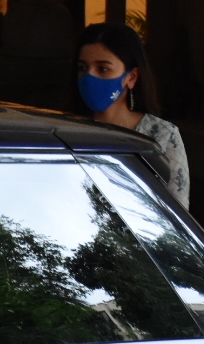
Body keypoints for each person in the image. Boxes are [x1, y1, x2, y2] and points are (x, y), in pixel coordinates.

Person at [75, 22, 190, 208]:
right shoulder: (65, 130)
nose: (89, 78)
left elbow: (177, 212)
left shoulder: (163, 136)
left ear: (131, 77)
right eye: (82, 68)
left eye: (103, 69)